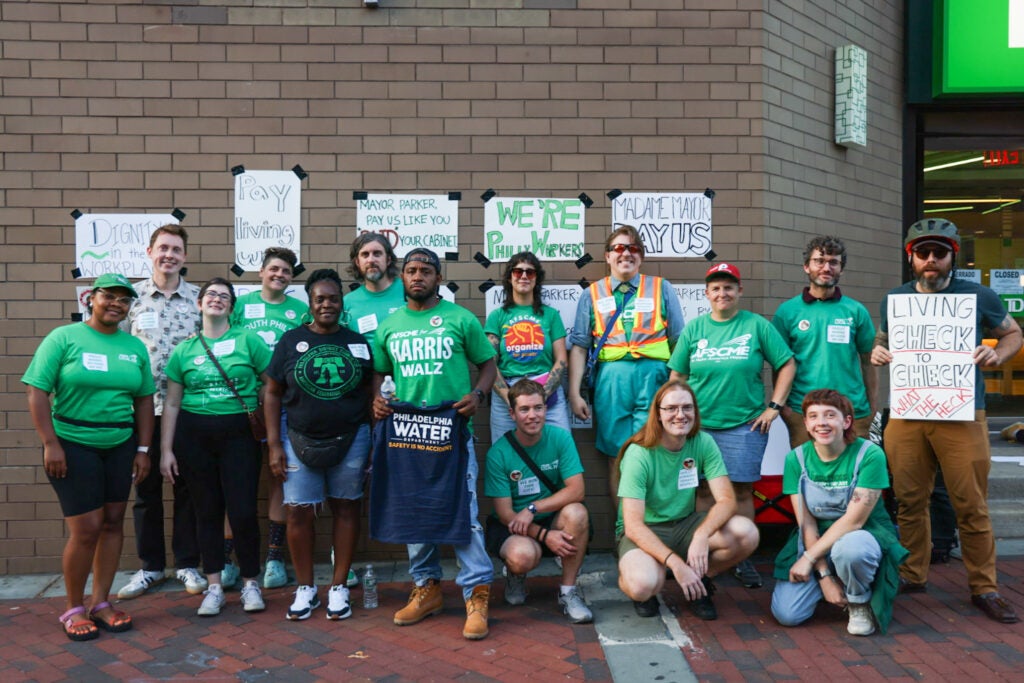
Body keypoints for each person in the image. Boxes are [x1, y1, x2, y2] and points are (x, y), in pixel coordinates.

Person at [870, 218, 1023, 624]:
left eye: (940, 253)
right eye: (923, 253)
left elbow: (1013, 334)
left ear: (953, 255)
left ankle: (984, 586)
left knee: (970, 503)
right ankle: (912, 572)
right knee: (908, 500)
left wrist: (998, 354)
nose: (931, 261)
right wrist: (878, 350)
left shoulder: (978, 295)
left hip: (961, 410)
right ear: (911, 258)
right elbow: (884, 339)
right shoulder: (895, 299)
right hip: (907, 410)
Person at [370, 247, 498, 640]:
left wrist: (477, 396)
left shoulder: (460, 319)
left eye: (426, 270)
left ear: (438, 278)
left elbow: (489, 364)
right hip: (407, 433)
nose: (418, 276)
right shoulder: (390, 325)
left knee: (466, 510)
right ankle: (426, 588)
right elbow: (379, 372)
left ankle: (476, 592)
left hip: (452, 431)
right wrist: (376, 399)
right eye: (411, 270)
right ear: (402, 276)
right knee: (415, 510)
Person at [23, 274, 155, 640]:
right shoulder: (64, 338)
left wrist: (143, 449)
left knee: (113, 522)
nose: (116, 304)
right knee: (86, 529)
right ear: (90, 299)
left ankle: (101, 602)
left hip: (120, 445)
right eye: (109, 297)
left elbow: (144, 400)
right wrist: (50, 443)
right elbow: (37, 393)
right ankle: (73, 607)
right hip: (72, 444)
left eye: (124, 300)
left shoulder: (134, 347)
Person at [668, 263, 795, 589]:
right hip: (699, 427)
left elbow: (786, 364)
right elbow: (677, 377)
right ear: (707, 293)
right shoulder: (695, 329)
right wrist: (678, 417)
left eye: (728, 287)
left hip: (744, 426)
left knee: (739, 492)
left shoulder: (756, 326)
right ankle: (703, 552)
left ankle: (741, 555)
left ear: (739, 291)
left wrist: (774, 408)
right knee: (702, 491)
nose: (722, 293)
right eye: (716, 288)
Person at [264, 269, 372, 621]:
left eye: (333, 298)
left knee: (347, 507)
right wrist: (274, 445)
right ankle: (306, 588)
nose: (327, 304)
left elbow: (372, 392)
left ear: (342, 302)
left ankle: (339, 587)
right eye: (320, 299)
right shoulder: (290, 340)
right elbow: (272, 393)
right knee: (297, 510)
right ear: (309, 304)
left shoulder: (357, 342)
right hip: (297, 439)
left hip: (351, 438)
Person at [160, 278, 272, 617]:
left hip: (239, 434)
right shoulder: (185, 349)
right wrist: (166, 449)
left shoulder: (248, 341)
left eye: (225, 296)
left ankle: (251, 582)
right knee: (206, 511)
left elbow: (272, 384)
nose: (217, 300)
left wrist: (264, 419)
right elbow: (173, 403)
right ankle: (214, 585)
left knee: (241, 511)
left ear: (232, 307)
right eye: (211, 294)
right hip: (194, 437)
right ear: (199, 304)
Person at [615, 380, 759, 621]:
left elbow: (726, 500)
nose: (680, 415)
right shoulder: (639, 453)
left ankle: (700, 580)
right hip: (646, 530)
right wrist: (675, 564)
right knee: (643, 585)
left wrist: (701, 536)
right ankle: (653, 575)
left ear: (695, 411)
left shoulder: (703, 442)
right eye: (671, 409)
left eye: (687, 408)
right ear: (658, 415)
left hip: (685, 525)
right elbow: (633, 526)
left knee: (747, 533)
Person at [770, 390, 908, 636]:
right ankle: (835, 580)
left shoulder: (869, 455)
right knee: (788, 614)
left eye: (830, 415)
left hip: (862, 535)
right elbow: (807, 524)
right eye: (813, 416)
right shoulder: (796, 459)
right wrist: (823, 575)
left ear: (846, 421)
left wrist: (808, 559)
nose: (821, 422)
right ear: (806, 423)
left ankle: (859, 601)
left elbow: (854, 521)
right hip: (817, 541)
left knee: (851, 549)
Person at [116, 223, 206, 600]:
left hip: (190, 409)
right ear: (150, 252)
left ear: (184, 257)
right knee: (146, 489)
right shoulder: (131, 298)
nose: (169, 255)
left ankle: (187, 564)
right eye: (163, 248)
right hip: (144, 410)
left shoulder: (200, 298)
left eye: (176, 249)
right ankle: (150, 567)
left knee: (188, 488)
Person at [567, 224, 685, 501]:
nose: (626, 254)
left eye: (633, 249)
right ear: (607, 256)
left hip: (655, 380)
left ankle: (654, 530)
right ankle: (625, 531)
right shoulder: (592, 294)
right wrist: (574, 394)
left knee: (654, 453)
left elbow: (680, 342)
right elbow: (580, 347)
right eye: (619, 248)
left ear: (641, 256)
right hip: (612, 383)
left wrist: (677, 386)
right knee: (616, 457)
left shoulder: (661, 288)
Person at [230, 247, 307, 590]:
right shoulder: (241, 306)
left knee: (279, 476)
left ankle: (274, 558)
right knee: (238, 480)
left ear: (291, 278)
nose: (279, 274)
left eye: (286, 271)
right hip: (245, 405)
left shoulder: (300, 310)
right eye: (274, 269)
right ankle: (230, 558)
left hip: (287, 403)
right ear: (260, 272)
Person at [484, 380, 592, 623]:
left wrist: (534, 508)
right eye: (524, 409)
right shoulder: (498, 453)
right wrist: (544, 536)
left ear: (546, 409)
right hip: (515, 528)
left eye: (538, 408)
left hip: (548, 518)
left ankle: (568, 592)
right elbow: (505, 514)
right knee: (522, 556)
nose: (532, 416)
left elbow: (577, 490)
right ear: (512, 414)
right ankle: (515, 574)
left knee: (577, 513)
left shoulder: (560, 438)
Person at [772, 236, 877, 446]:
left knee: (852, 476)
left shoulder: (856, 311)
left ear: (841, 269)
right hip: (803, 412)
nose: (826, 267)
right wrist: (784, 408)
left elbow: (868, 361)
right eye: (819, 261)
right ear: (806, 266)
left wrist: (872, 407)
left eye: (833, 262)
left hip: (852, 412)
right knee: (809, 475)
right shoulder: (787, 312)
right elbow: (779, 364)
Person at [485, 251, 571, 442]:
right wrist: (510, 398)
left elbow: (561, 360)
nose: (523, 276)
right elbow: (489, 364)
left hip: (547, 391)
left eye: (530, 272)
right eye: (517, 272)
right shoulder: (497, 316)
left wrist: (541, 396)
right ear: (510, 278)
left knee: (561, 446)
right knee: (504, 451)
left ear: (536, 279)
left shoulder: (551, 315)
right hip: (507, 390)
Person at [344, 232, 406, 347]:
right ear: (357, 262)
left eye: (377, 254)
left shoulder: (409, 292)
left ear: (388, 260)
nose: (371, 260)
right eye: (365, 255)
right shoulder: (347, 302)